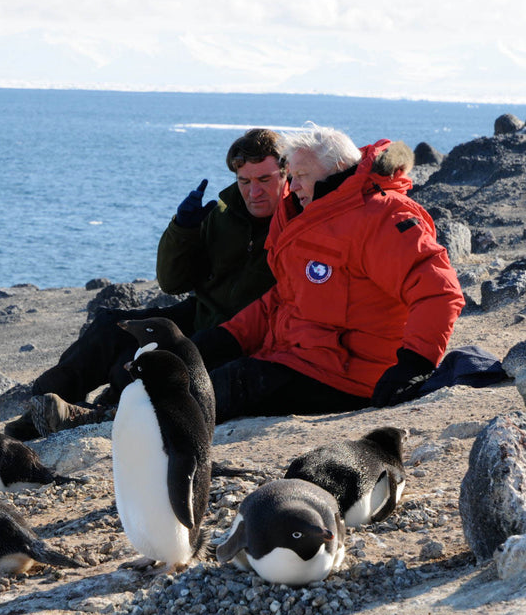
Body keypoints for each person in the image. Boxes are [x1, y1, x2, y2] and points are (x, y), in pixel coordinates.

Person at [5, 128, 289, 439]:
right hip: (201, 314)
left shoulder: (300, 219)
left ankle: (94, 417)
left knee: (138, 366)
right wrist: (183, 229)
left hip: (248, 335)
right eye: (244, 181)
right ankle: (41, 407)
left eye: (264, 180)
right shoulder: (221, 213)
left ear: (286, 174)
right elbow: (172, 281)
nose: (253, 192)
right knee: (109, 328)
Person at [194, 125, 465, 423]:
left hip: (350, 375)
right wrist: (225, 337)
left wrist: (414, 364)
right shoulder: (308, 216)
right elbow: (283, 299)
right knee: (191, 364)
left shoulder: (383, 216)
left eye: (302, 176)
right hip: (298, 358)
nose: (293, 187)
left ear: (335, 170)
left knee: (227, 385)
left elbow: (439, 292)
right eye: (292, 176)